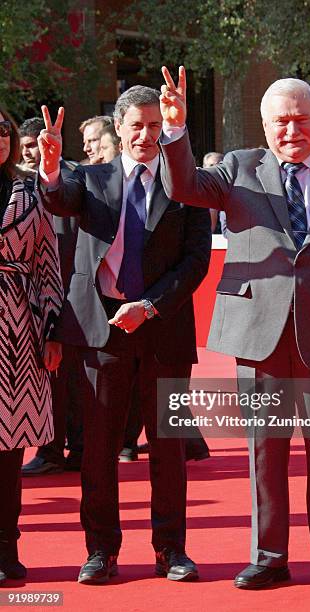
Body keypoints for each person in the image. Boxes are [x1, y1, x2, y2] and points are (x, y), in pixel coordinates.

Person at [159, 66, 310, 591]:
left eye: (302, 120)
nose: (292, 131)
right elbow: (184, 186)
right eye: (281, 122)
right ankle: (269, 556)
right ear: (264, 126)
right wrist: (174, 132)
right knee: (265, 447)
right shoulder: (240, 167)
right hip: (257, 335)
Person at [37, 85, 211, 584]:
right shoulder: (90, 180)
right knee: (98, 449)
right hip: (100, 332)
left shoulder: (185, 182)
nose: (147, 135)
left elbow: (197, 259)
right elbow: (57, 200)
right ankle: (101, 551)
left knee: (169, 446)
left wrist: (151, 306)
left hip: (163, 328)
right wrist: (50, 168)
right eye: (137, 125)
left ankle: (171, 549)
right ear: (119, 128)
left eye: (155, 126)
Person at [0, 105, 63, 584]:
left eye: (3, 132)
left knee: (8, 453)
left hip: (17, 329)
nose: (0, 139)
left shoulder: (28, 191)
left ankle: (6, 548)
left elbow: (46, 262)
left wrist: (53, 327)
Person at [17, 118, 84, 476]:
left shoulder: (65, 180)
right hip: (35, 293)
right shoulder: (18, 185)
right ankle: (65, 447)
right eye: (26, 145)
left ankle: (59, 449)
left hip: (62, 291)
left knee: (63, 376)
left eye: (34, 144)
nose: (30, 151)